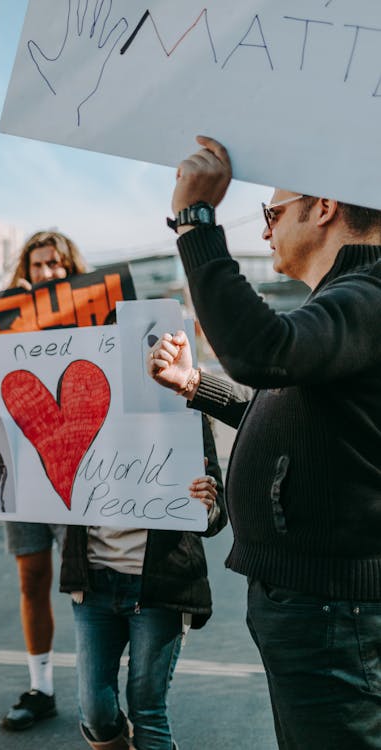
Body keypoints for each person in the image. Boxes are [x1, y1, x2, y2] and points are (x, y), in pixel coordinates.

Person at [148, 135, 381, 749]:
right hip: (321, 608)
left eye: (272, 214)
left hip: (335, 613)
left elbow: (263, 353)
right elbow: (287, 405)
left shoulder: (369, 296)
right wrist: (197, 385)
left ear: (324, 205)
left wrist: (196, 222)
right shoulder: (348, 302)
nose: (265, 233)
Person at [0, 230, 87, 730]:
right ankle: (41, 686)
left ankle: (100, 690)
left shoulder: (94, 323)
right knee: (32, 581)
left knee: (87, 587)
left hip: (74, 474)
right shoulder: (2, 327)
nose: (47, 273)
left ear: (72, 269)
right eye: (38, 264)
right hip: (21, 475)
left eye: (56, 264)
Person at [61, 421, 226, 750]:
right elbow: (23, 461)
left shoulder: (185, 413)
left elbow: (216, 513)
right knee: (95, 712)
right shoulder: (80, 410)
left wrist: (206, 504)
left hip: (160, 586)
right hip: (94, 581)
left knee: (147, 708)